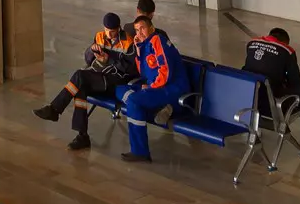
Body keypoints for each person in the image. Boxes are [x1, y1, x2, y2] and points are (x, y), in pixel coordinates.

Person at [33, 12, 137, 151]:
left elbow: (129, 69)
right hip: (99, 76)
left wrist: (109, 60)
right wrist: (92, 51)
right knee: (80, 88)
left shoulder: (129, 43)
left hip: (115, 81)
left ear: (119, 28)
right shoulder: (100, 36)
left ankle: (54, 109)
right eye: (107, 30)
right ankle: (82, 135)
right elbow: (88, 60)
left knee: (80, 76)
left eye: (112, 31)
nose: (109, 34)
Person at [117, 14, 190, 163]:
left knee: (134, 102)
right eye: (137, 30)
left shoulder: (158, 41)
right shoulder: (145, 45)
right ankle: (157, 108)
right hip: (157, 88)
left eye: (142, 28)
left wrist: (150, 87)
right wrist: (138, 50)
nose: (139, 33)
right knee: (119, 89)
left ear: (151, 28)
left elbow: (166, 71)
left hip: (171, 89)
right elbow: (143, 72)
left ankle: (140, 151)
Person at [244, 26, 300, 154]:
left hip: (250, 104)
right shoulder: (286, 51)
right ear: (285, 42)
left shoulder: (252, 44)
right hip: (270, 107)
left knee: (257, 82)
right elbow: (296, 82)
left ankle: (254, 127)